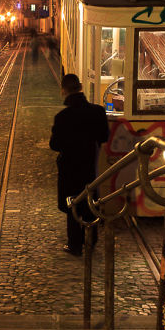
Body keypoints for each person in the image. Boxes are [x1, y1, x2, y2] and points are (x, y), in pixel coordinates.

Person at [49, 74, 109, 255]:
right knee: (91, 200)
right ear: (81, 87)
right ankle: (91, 240)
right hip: (90, 165)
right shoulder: (98, 111)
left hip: (69, 168)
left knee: (72, 203)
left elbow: (54, 145)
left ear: (63, 91)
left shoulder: (62, 117)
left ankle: (75, 245)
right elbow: (104, 137)